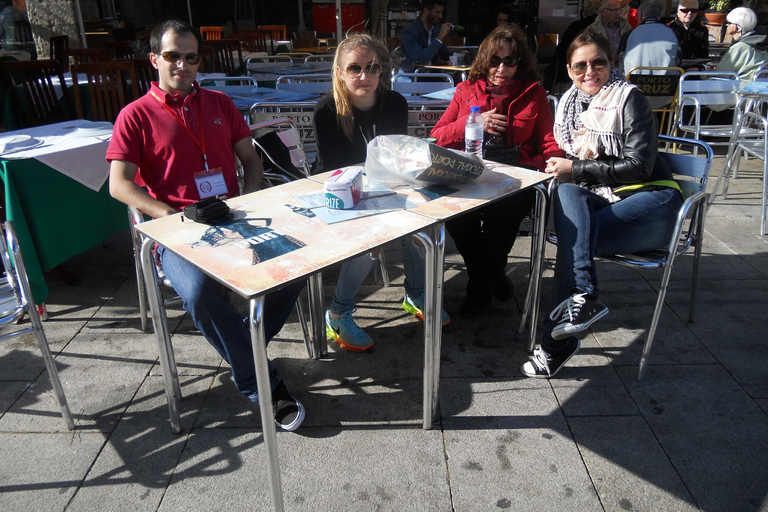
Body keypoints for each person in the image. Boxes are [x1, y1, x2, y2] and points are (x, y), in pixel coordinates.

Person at [107, 20, 306, 431]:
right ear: (154, 60)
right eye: (172, 56)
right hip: (175, 227)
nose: (182, 64)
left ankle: (243, 352)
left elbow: (251, 162)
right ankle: (260, 382)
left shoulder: (219, 103)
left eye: (190, 57)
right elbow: (118, 185)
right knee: (199, 292)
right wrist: (167, 215)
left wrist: (248, 202)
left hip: (234, 218)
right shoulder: (135, 115)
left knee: (300, 266)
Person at [520, 29, 683, 378]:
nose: (589, 72)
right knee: (566, 195)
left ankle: (555, 342)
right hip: (611, 201)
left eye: (599, 63)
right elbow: (572, 171)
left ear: (613, 64)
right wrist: (564, 171)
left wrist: (575, 167)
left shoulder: (630, 99)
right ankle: (580, 295)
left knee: (573, 238)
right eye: (580, 66)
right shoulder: (570, 107)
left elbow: (639, 165)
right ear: (568, 71)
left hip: (654, 201)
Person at [313, 33, 449, 351]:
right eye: (355, 68)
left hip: (386, 187)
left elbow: (395, 157)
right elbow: (336, 170)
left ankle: (415, 294)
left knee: (424, 223)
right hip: (342, 193)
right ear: (340, 72)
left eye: (372, 68)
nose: (365, 76)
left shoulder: (394, 103)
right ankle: (338, 313)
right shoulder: (326, 110)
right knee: (372, 239)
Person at [429, 25, 563, 318]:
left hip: (516, 174)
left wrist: (553, 163)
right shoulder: (466, 91)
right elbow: (437, 136)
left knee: (502, 217)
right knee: (457, 217)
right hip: (471, 171)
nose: (501, 68)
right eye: (494, 60)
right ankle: (495, 277)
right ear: (484, 61)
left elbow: (548, 140)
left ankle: (478, 291)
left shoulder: (533, 92)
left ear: (520, 62)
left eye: (510, 61)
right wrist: (471, 123)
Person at [543, 0, 601, 93]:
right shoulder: (609, 26)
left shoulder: (576, 26)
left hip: (574, 70)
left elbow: (561, 50)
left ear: (584, 12)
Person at [619, 0, 681, 77]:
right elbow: (678, 60)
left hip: (634, 83)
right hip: (666, 84)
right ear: (659, 15)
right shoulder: (673, 33)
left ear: (640, 15)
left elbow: (620, 63)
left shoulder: (628, 35)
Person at [716, 7, 768, 85]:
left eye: (729, 22)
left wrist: (702, 75)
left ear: (735, 27)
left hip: (737, 91)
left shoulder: (740, 47)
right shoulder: (761, 43)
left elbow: (721, 73)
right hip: (758, 89)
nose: (726, 25)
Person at [399, 0, 452, 73]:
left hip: (432, 75)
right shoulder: (409, 31)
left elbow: (444, 54)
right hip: (413, 77)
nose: (440, 16)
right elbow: (421, 59)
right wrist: (440, 37)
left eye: (441, 12)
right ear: (426, 10)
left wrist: (460, 55)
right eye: (437, 12)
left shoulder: (435, 29)